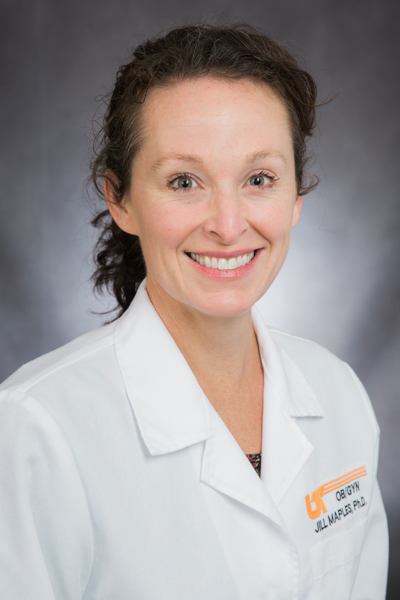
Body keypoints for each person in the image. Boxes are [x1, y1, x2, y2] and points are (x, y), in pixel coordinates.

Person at [0, 23, 389, 599]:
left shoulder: (340, 393)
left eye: (259, 179)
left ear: (296, 197)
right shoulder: (33, 429)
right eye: (184, 181)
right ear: (120, 199)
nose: (228, 226)